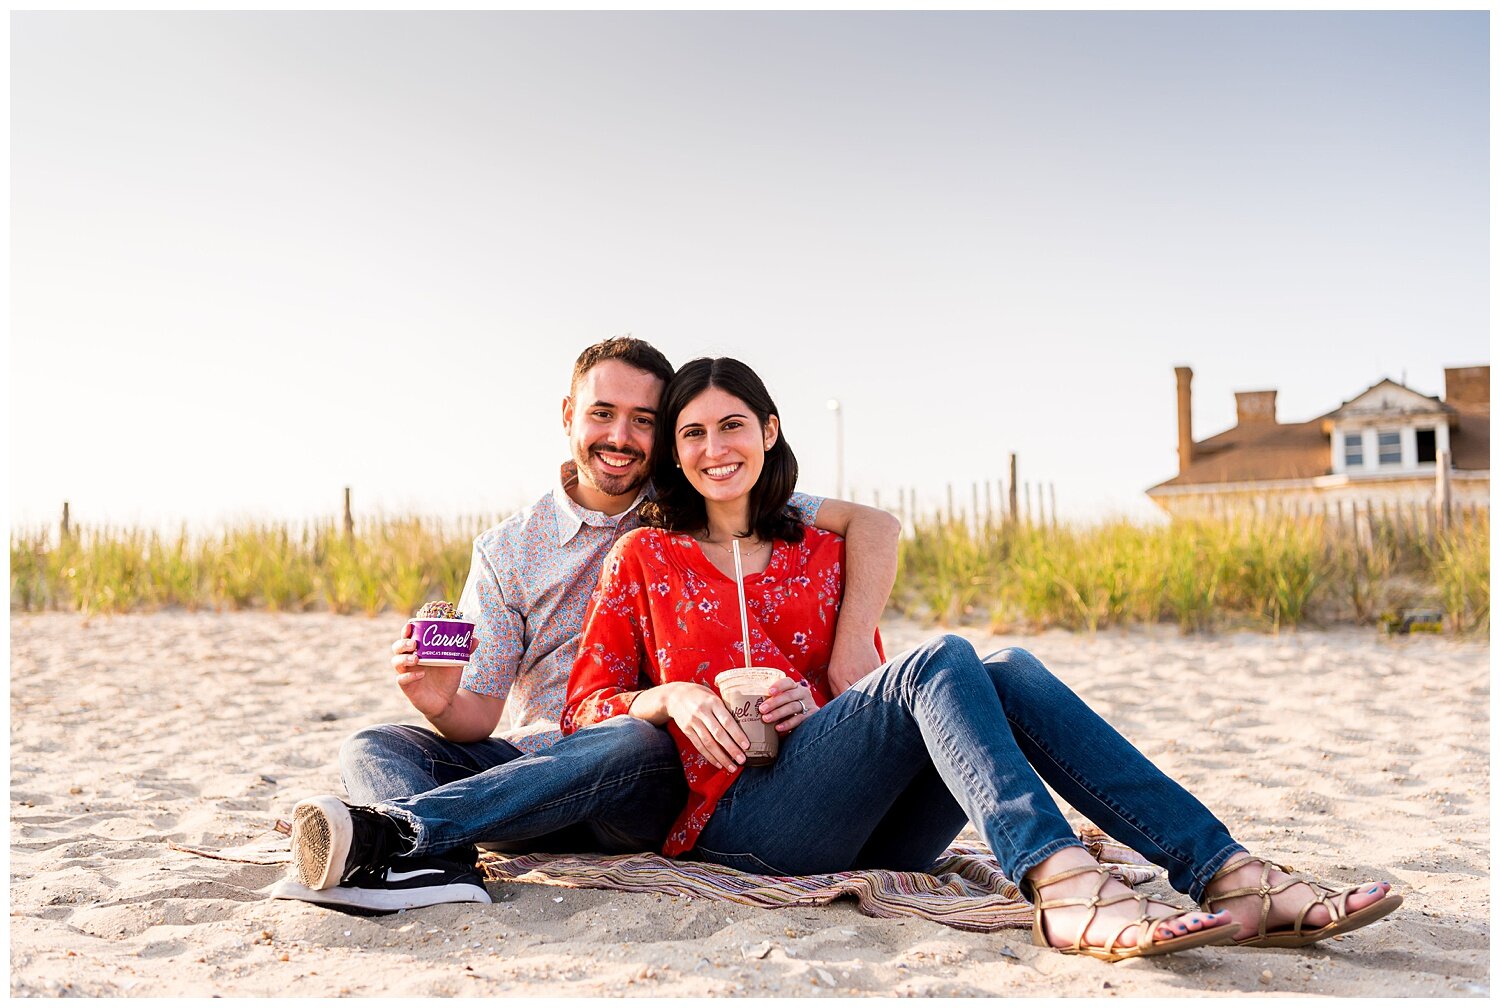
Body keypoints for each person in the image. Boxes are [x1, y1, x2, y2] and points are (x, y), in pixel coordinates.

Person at [560, 356, 1402, 962]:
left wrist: (820, 700)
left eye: (733, 425)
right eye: (694, 433)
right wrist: (667, 697)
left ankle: (1224, 871)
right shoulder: (643, 557)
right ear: (675, 452)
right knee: (943, 661)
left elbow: (869, 702)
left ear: (769, 431)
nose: (716, 448)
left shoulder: (820, 550)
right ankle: (1061, 880)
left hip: (867, 824)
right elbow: (579, 711)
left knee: (1007, 673)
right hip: (741, 828)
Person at [276, 337, 901, 914]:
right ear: (569, 412)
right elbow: (479, 718)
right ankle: (439, 864)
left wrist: (852, 651)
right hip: (531, 769)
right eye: (603, 413)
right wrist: (440, 702)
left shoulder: (699, 494)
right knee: (374, 745)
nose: (621, 436)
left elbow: (872, 525)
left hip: (649, 772)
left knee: (626, 737)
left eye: (644, 420)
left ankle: (400, 835)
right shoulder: (509, 548)